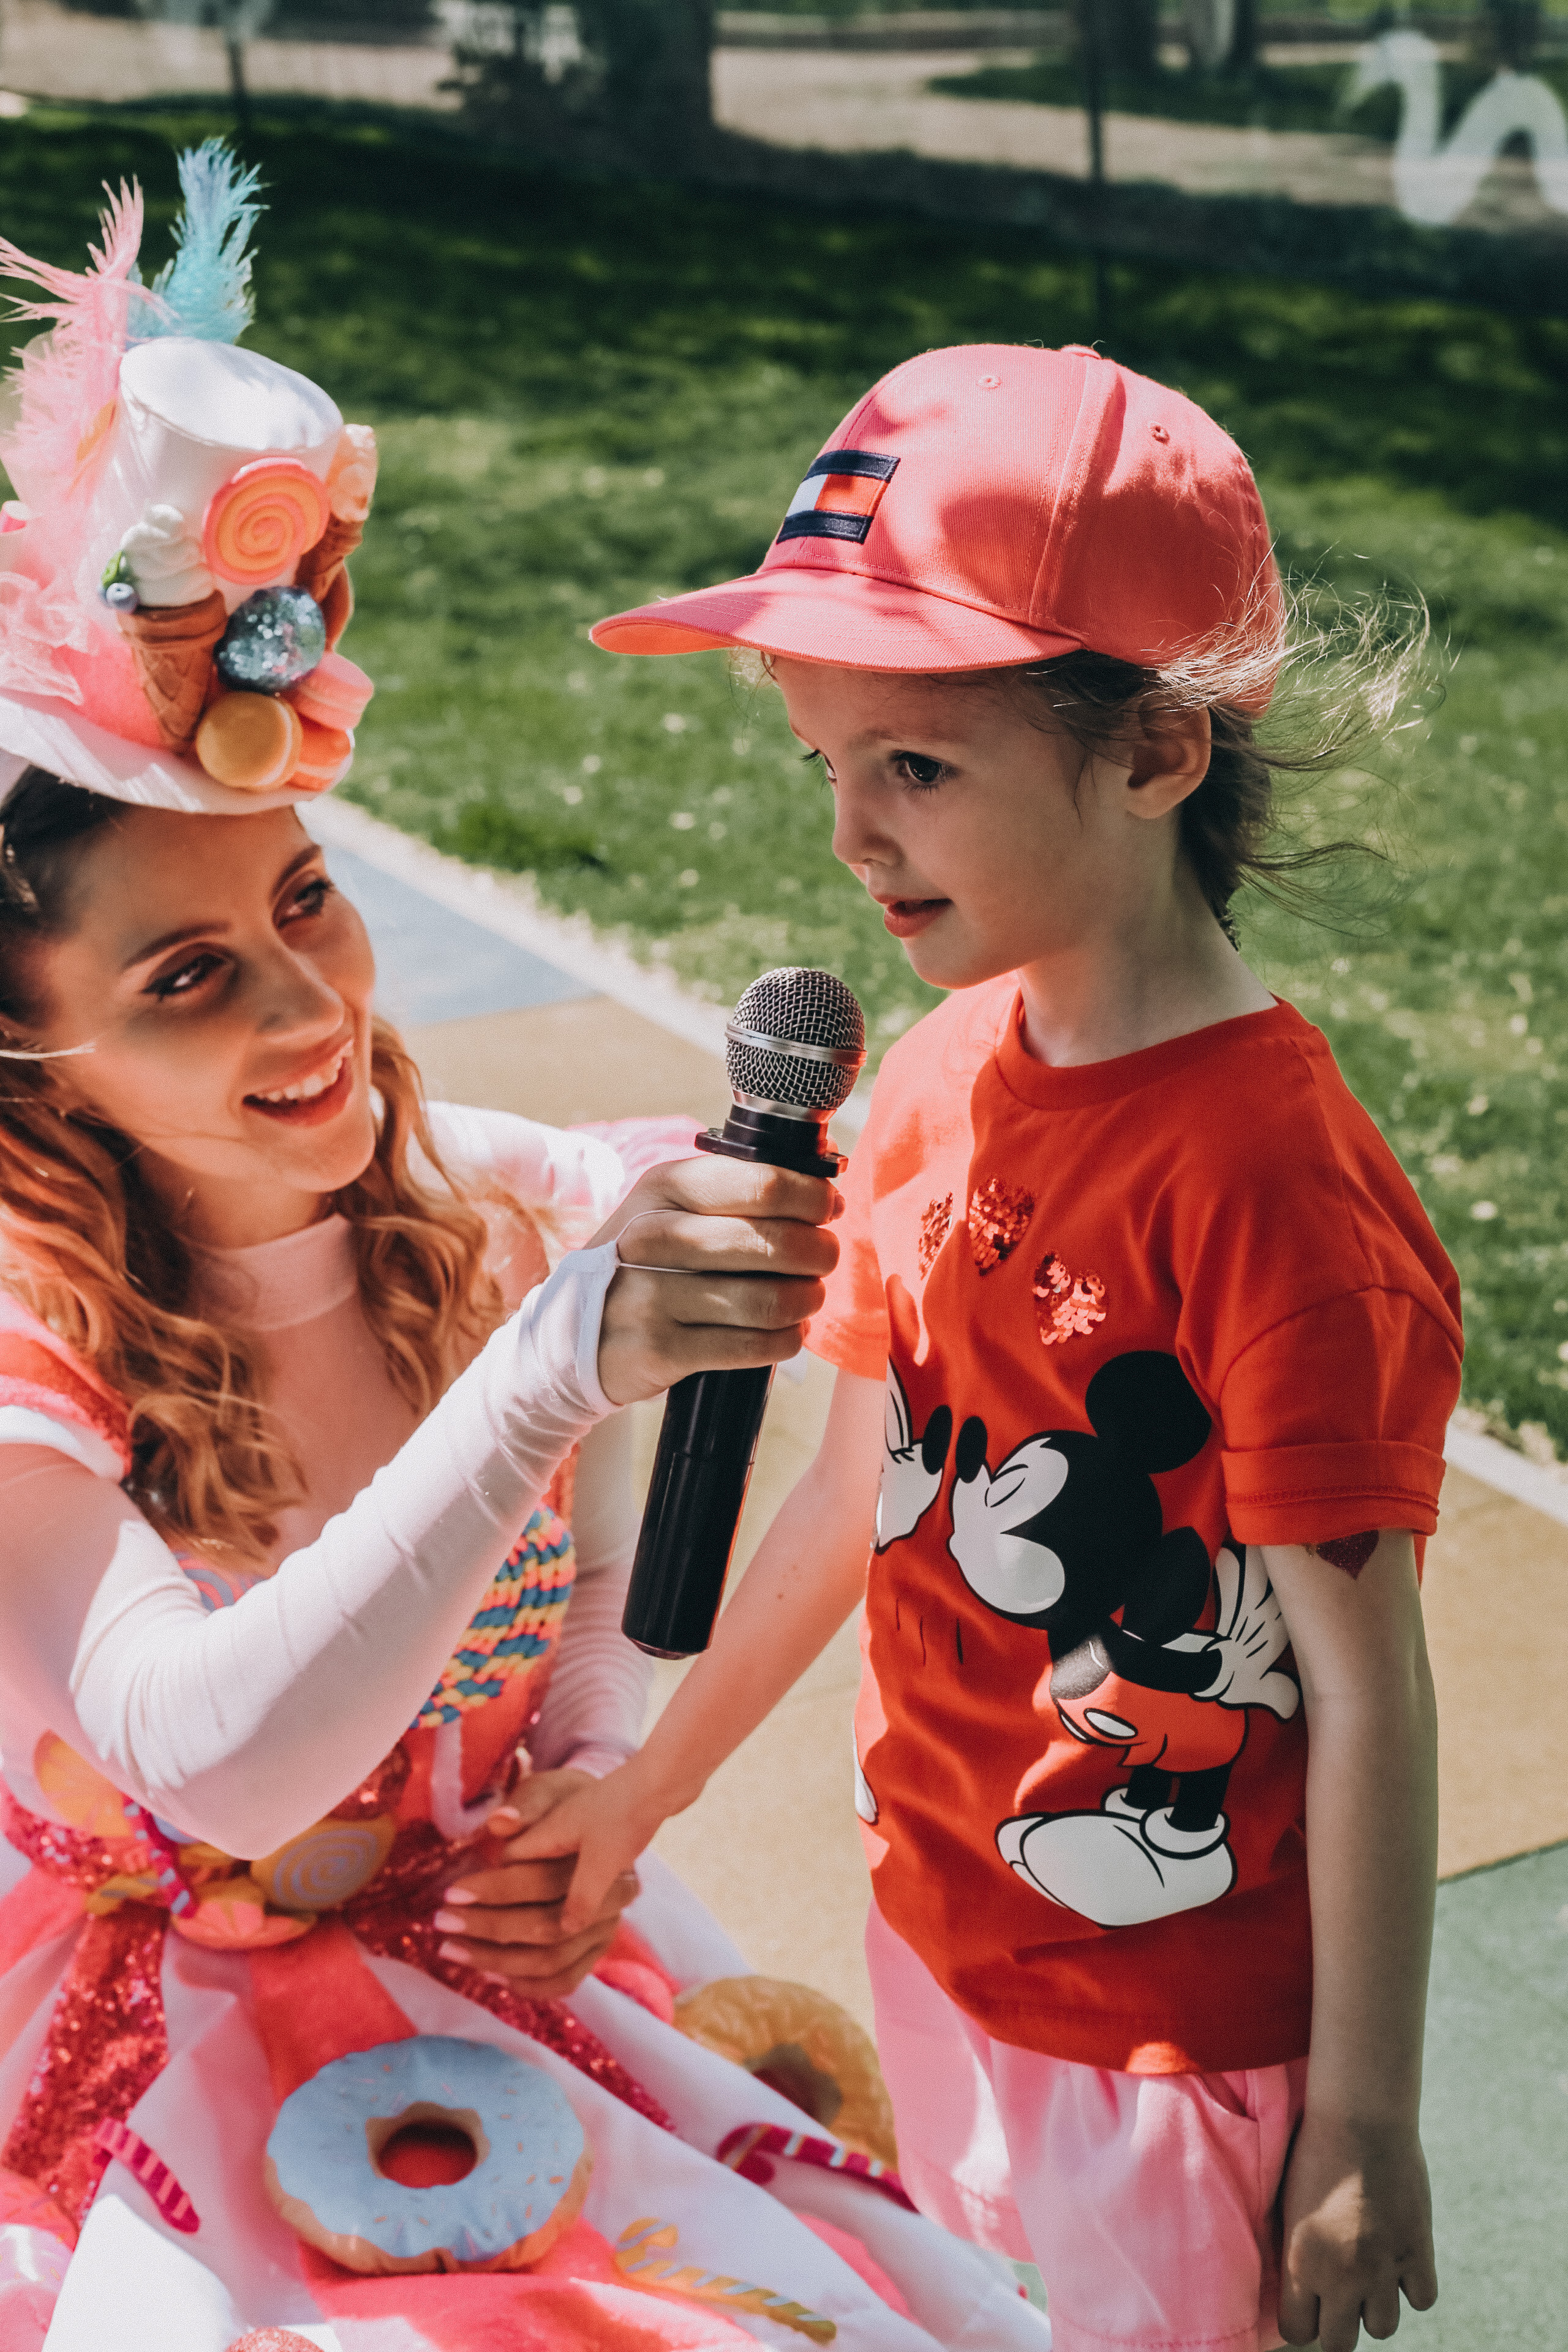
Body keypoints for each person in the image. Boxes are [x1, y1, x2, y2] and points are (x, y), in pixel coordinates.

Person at [0, 160, 1047, 2348]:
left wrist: (592, 1745)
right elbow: (202, 1760)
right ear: (34, 1047)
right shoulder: (28, 1325)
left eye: (302, 900)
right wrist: (561, 1360)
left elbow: (623, 1563)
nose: (305, 1011)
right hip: (117, 2053)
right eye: (182, 981)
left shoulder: (485, 1196)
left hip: (483, 1976)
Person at [519, 342, 1465, 2352]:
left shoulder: (1272, 1193)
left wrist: (1364, 2112)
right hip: (945, 1932)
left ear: (1153, 755)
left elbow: (1373, 1692)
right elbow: (857, 1495)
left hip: (1164, 2035)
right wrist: (651, 1786)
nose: (855, 838)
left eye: (919, 769)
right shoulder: (943, 1071)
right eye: (830, 765)